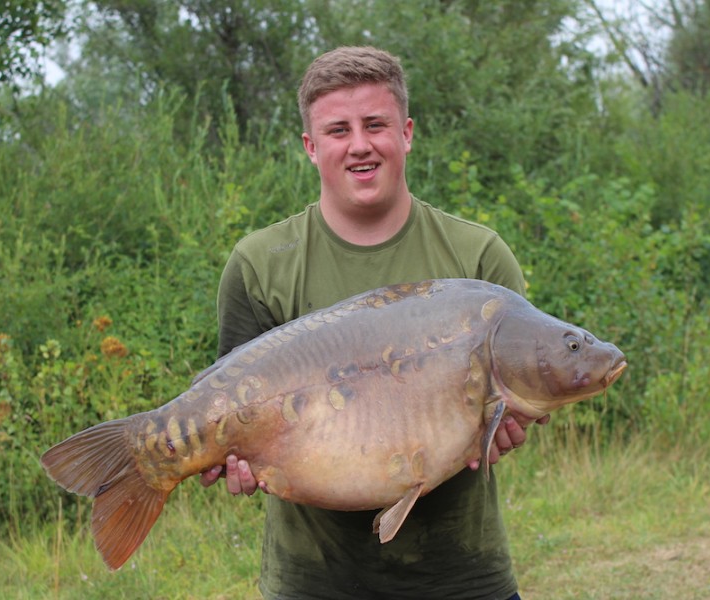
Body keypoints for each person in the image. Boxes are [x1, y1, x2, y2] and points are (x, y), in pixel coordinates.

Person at [200, 46, 547, 600]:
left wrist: (502, 428)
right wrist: (235, 458)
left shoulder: (479, 259)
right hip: (312, 580)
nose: (359, 144)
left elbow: (511, 399)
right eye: (338, 130)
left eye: (376, 124)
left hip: (463, 576)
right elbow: (231, 410)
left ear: (406, 133)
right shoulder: (260, 264)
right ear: (311, 148)